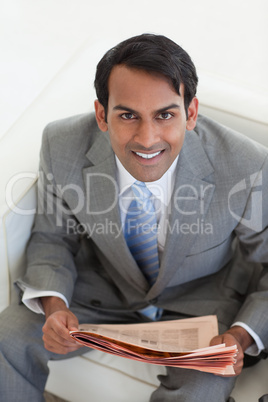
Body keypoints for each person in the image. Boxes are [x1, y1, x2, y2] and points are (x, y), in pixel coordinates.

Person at [0, 33, 268, 402]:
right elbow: (53, 239)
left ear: (190, 114)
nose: (147, 138)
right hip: (99, 290)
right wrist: (54, 306)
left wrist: (239, 336)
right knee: (9, 335)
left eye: (165, 115)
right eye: (128, 115)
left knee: (204, 386)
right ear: (102, 115)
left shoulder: (246, 165)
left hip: (202, 305)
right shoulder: (61, 144)